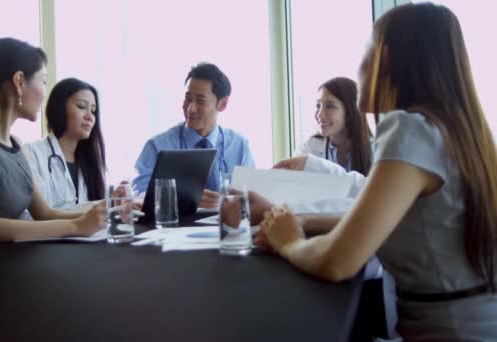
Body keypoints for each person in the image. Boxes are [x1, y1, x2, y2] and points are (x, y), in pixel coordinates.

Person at [257, 3, 497, 339]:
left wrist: (289, 242)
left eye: (368, 52)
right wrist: (302, 220)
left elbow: (338, 262)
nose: (360, 66)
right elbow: (384, 219)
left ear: (391, 61)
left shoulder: (410, 130)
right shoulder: (460, 132)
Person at [0, 38, 106, 252]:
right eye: (43, 81)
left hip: (10, 262)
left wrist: (108, 211)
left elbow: (45, 214)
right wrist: (76, 226)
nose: (45, 91)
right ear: (19, 81)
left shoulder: (17, 145)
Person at [131, 62, 255, 208]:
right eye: (188, 98)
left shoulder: (240, 146)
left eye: (200, 101)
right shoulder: (157, 146)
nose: (190, 108)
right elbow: (139, 197)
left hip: (226, 228)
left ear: (222, 104)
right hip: (172, 229)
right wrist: (181, 200)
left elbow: (251, 200)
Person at [25, 78, 106, 211]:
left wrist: (113, 201)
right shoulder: (32, 153)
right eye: (81, 106)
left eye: (93, 110)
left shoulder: (89, 161)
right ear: (59, 108)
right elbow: (29, 217)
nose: (90, 117)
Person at [295, 77, 372, 175]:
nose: (320, 114)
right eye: (318, 106)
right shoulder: (307, 149)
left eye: (330, 106)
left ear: (351, 111)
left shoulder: (377, 152)